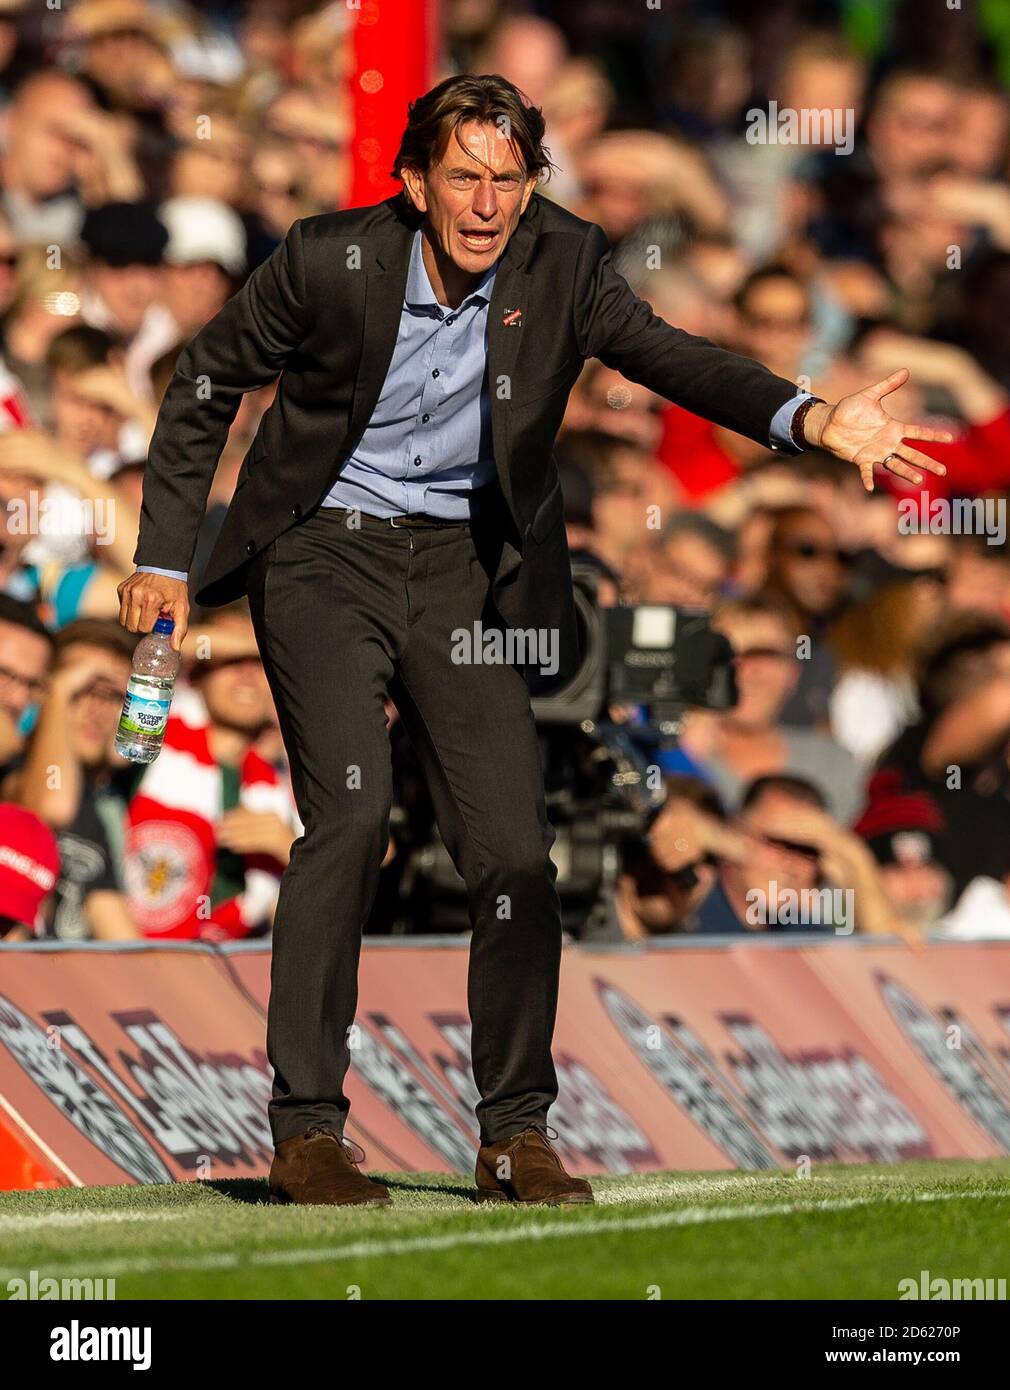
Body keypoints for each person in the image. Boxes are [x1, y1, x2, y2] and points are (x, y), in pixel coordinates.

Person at [116, 73, 950, 1209]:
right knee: (351, 815)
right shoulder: (326, 257)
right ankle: (307, 1127)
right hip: (320, 550)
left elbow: (674, 358)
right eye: (462, 176)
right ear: (413, 182)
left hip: (462, 567)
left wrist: (810, 417)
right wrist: (163, 558)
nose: (485, 203)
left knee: (512, 852)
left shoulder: (564, 264)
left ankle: (514, 1131)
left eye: (508, 180)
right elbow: (206, 382)